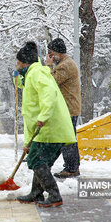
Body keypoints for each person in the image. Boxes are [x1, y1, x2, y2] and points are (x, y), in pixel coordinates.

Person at [14, 41, 76, 207]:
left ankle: (54, 195)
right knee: (41, 162)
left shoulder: (37, 73)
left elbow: (48, 94)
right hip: (46, 129)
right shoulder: (31, 75)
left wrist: (43, 116)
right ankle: (36, 193)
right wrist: (28, 142)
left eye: (18, 62)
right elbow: (30, 104)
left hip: (49, 128)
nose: (16, 66)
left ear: (25, 62)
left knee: (35, 160)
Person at [45, 38, 82, 178]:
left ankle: (72, 168)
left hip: (68, 108)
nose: (50, 57)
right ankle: (71, 166)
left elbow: (51, 81)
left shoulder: (65, 66)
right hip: (69, 107)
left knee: (67, 139)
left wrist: (48, 66)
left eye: (51, 53)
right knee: (67, 138)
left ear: (58, 52)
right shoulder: (65, 63)